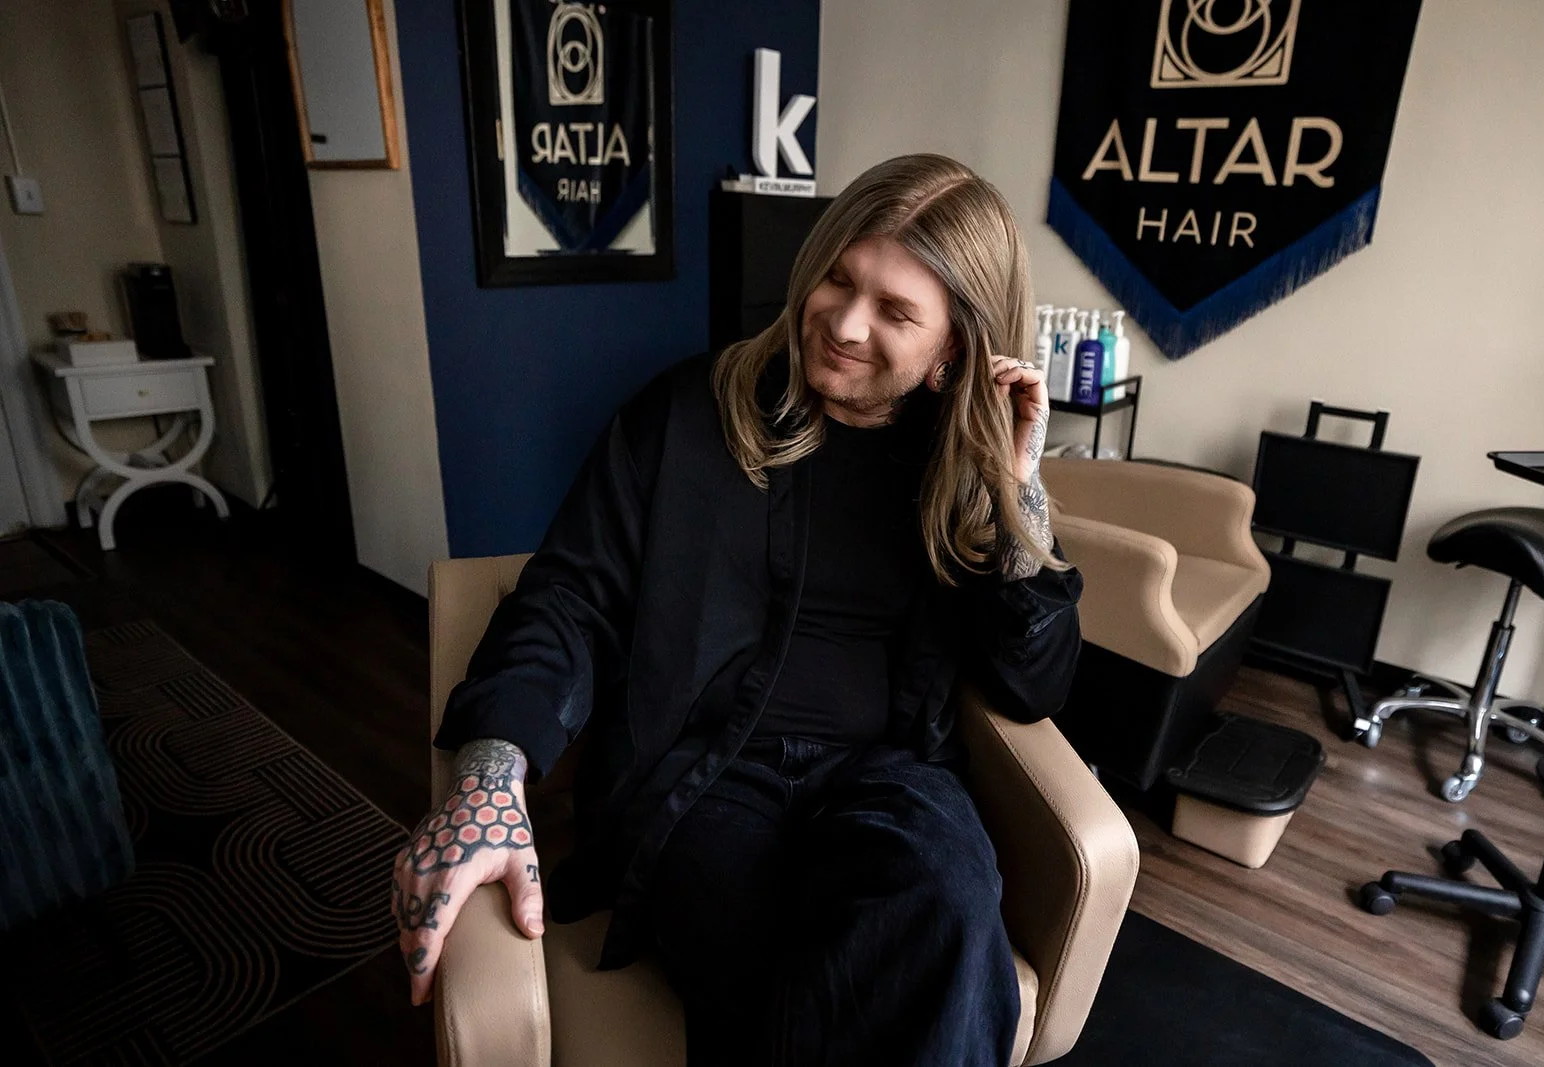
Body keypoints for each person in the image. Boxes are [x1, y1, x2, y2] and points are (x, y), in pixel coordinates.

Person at [390, 153, 1084, 1066]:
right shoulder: (683, 415)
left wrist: (1015, 495)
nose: (843, 321)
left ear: (952, 348)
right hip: (701, 779)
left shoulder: (961, 476)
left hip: (890, 776)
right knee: (794, 963)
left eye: (896, 311)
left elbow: (1033, 683)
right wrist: (489, 772)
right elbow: (569, 600)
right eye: (838, 277)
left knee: (953, 904)